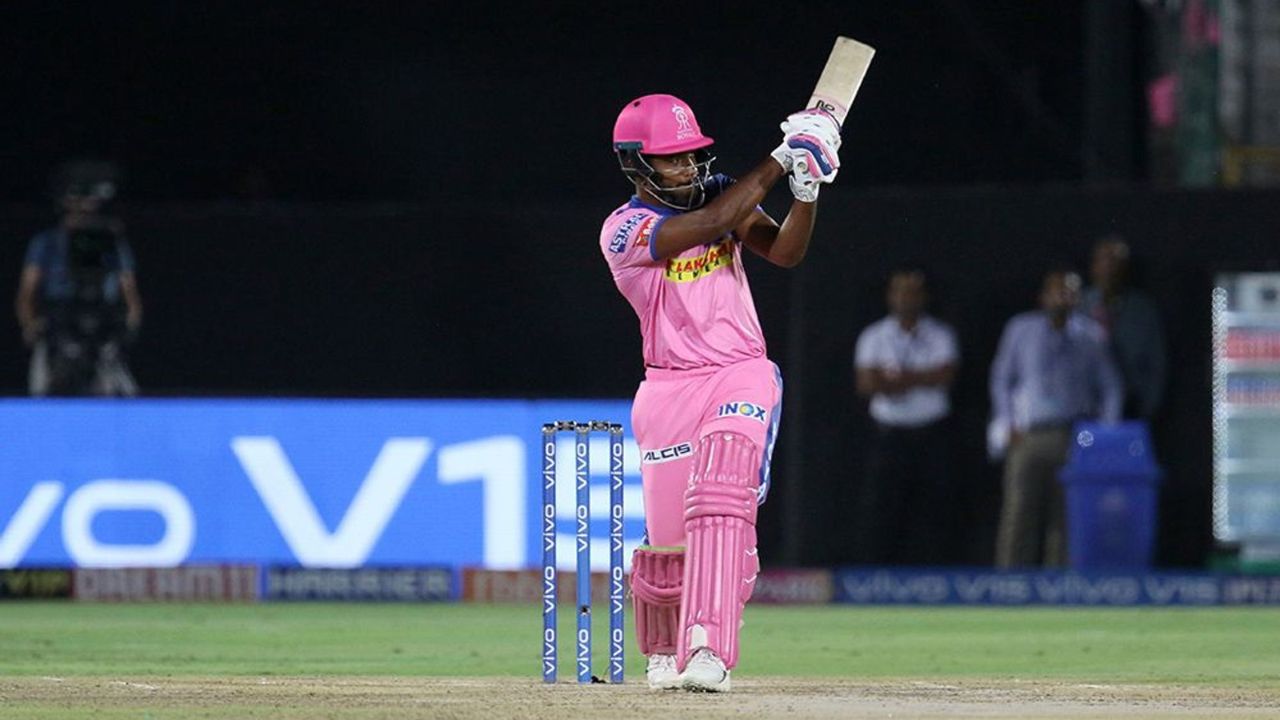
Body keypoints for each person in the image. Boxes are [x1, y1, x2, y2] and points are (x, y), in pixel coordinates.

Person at [600, 94, 840, 692]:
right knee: (667, 543)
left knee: (720, 500)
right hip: (666, 388)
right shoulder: (623, 230)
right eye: (672, 160)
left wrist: (806, 192)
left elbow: (784, 251)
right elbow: (706, 227)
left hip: (739, 373)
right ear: (636, 165)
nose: (688, 168)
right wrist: (783, 158)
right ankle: (663, 651)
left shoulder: (724, 195)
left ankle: (710, 649)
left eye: (692, 156)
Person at [988, 268, 1123, 568]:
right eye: (1056, 290)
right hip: (1028, 434)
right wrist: (1005, 421)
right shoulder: (1020, 329)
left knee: (1066, 516)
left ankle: (1059, 588)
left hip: (1075, 435)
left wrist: (1104, 433)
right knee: (1019, 510)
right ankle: (1010, 584)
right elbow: (1002, 378)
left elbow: (1111, 386)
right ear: (1043, 296)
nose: (1062, 297)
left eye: (1069, 291)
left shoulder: (1090, 334)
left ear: (1078, 298)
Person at [853, 266, 959, 565]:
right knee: (882, 510)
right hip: (889, 434)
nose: (906, 298)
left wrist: (896, 381)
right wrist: (921, 377)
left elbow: (946, 375)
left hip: (932, 433)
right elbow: (867, 383)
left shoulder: (940, 334)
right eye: (901, 291)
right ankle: (876, 577)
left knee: (934, 509)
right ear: (890, 296)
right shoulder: (874, 336)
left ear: (923, 297)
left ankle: (934, 575)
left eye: (913, 291)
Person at [15, 160, 142, 396]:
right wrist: (30, 323)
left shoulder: (112, 242)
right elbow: (27, 289)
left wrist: (128, 326)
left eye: (91, 202)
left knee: (117, 389)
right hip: (58, 322)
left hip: (103, 323)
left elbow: (129, 288)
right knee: (47, 388)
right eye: (79, 201)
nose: (86, 207)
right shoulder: (47, 242)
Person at [1079, 234, 1167, 420]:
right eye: (1103, 261)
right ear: (1093, 266)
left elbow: (1156, 363)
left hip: (1131, 408)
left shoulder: (1143, 310)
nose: (1109, 268)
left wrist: (1147, 408)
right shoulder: (1077, 307)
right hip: (1083, 408)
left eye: (1115, 262)